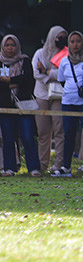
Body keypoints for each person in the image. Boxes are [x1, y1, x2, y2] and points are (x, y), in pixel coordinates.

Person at [52, 31, 83, 177]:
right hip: (68, 102)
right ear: (68, 44)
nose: (75, 44)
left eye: (78, 41)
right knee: (68, 133)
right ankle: (66, 167)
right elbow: (62, 80)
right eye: (72, 42)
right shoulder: (64, 61)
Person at [0, 34, 41, 176]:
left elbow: (28, 80)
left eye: (13, 45)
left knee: (28, 136)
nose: (10, 48)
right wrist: (14, 83)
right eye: (7, 45)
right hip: (5, 106)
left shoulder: (25, 60)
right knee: (8, 138)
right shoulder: (1, 62)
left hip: (23, 105)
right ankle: (9, 168)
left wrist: (9, 79)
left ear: (17, 46)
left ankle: (34, 168)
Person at [32, 25, 67, 173]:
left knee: (59, 130)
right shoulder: (40, 53)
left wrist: (46, 71)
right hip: (41, 95)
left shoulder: (66, 54)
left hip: (59, 96)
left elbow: (64, 74)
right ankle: (42, 165)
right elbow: (36, 73)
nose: (61, 40)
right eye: (59, 36)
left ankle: (58, 165)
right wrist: (52, 76)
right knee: (43, 132)